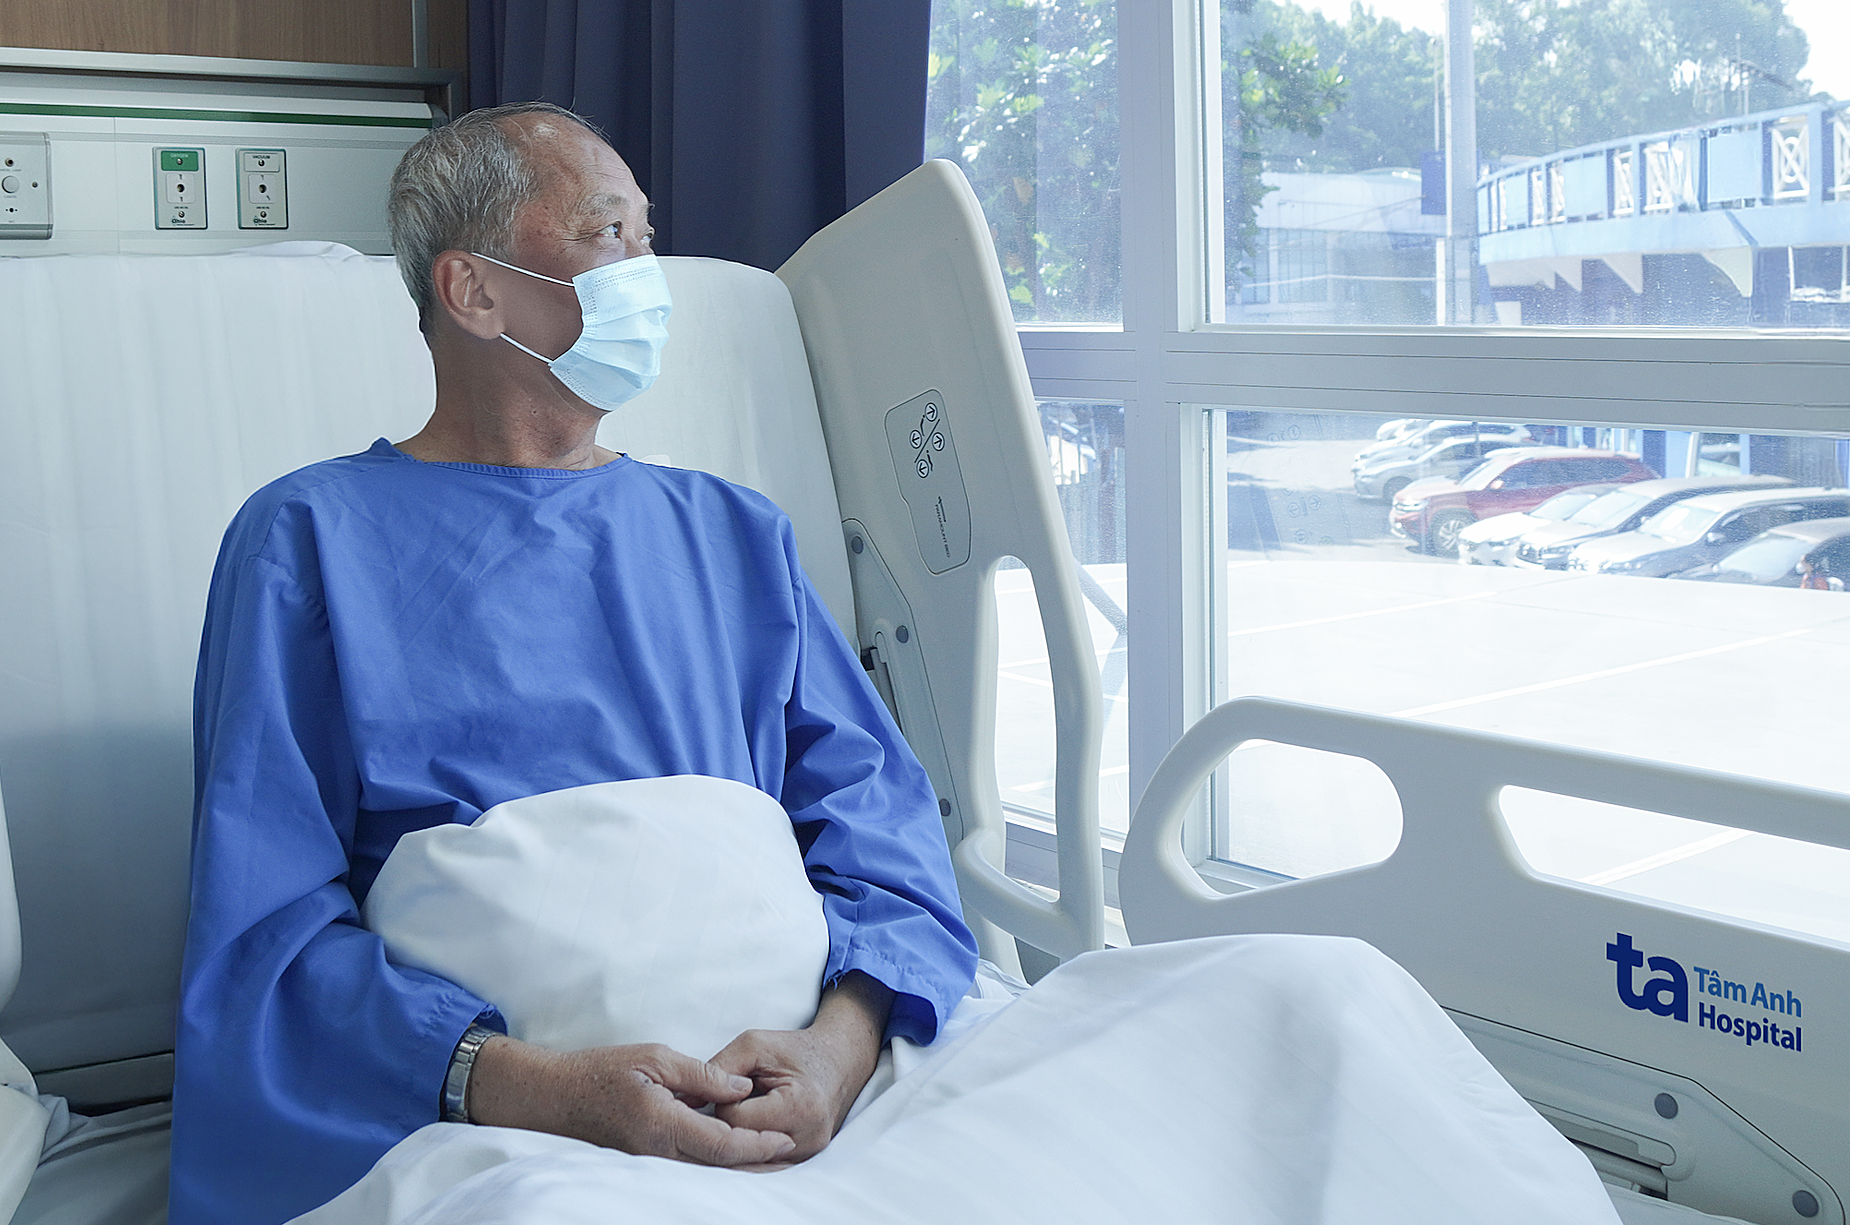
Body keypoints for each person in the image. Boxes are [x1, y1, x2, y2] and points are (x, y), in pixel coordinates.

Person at [169, 102, 978, 1225]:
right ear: (473, 290)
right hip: (506, 1130)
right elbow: (264, 931)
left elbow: (885, 836)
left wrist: (837, 1053)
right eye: (609, 235)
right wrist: (542, 1089)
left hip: (827, 1094)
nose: (649, 274)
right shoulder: (306, 540)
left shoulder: (733, 533)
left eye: (648, 237)